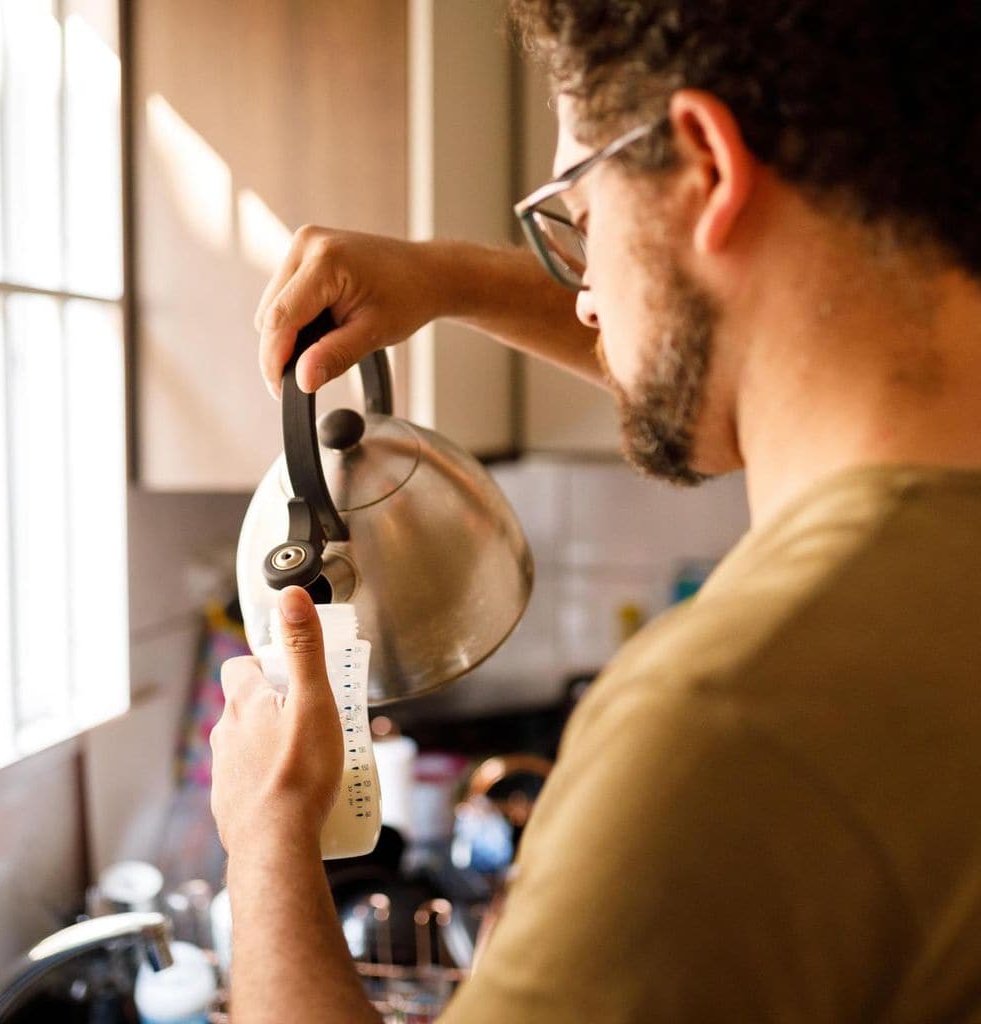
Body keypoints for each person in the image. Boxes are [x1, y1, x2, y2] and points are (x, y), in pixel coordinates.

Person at [209, 1, 981, 1020]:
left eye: (579, 214)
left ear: (704, 164)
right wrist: (445, 278)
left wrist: (266, 839)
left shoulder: (725, 725)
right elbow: (718, 360)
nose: (581, 292)